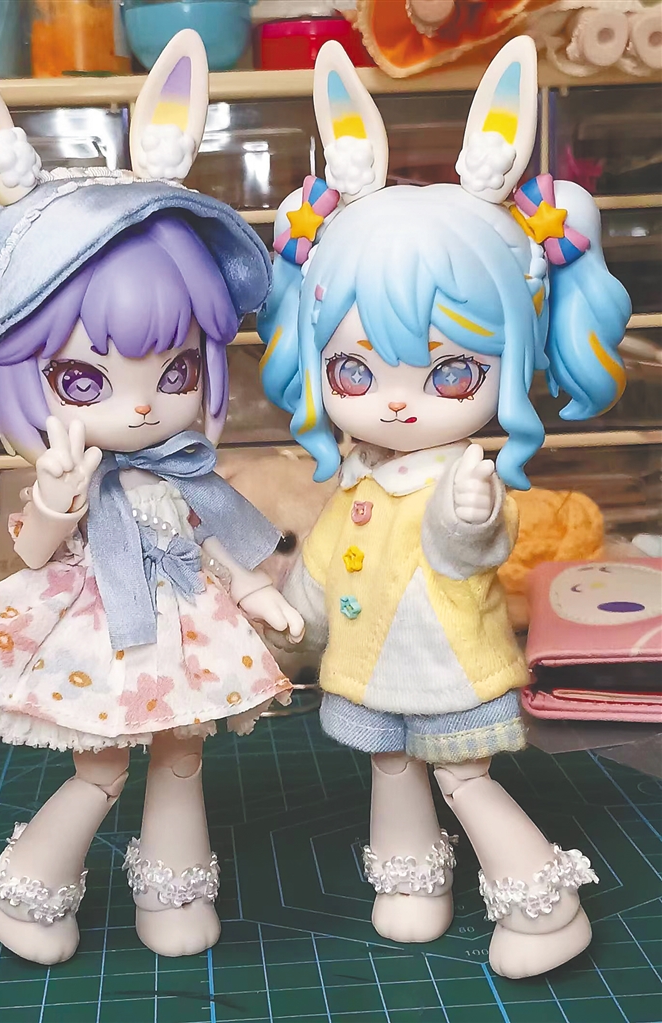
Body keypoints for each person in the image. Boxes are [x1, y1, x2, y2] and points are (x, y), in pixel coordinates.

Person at [0, 32, 303, 965]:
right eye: (84, 380)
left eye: (175, 371)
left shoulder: (183, 470)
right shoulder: (77, 473)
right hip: (97, 630)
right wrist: (58, 500)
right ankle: (28, 893)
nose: (141, 406)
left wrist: (259, 592)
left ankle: (174, 894)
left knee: (182, 756)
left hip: (184, 627)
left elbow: (211, 537)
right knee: (99, 766)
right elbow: (29, 554)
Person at [258, 36, 630, 978]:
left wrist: (467, 514)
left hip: (450, 666)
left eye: (450, 372)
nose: (395, 402)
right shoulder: (358, 474)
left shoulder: (462, 472)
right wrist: (293, 614)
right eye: (354, 371)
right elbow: (328, 554)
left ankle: (545, 903)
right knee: (390, 768)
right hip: (366, 668)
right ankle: (411, 882)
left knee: (463, 774)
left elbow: (474, 546)